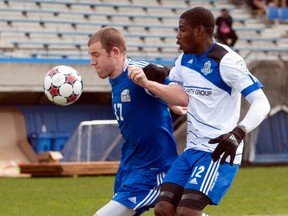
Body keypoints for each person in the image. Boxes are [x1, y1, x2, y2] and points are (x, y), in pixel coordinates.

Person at [128, 7, 270, 216]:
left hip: (218, 150)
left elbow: (261, 102)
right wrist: (161, 76)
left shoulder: (227, 61)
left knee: (187, 212)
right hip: (191, 150)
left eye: (182, 30)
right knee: (164, 209)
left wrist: (238, 133)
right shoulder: (184, 60)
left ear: (199, 31)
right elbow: (178, 93)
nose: (177, 36)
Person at [87, 27, 188, 216]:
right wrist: (164, 99)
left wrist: (157, 89)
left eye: (96, 55)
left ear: (115, 52)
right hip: (130, 165)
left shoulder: (142, 71)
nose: (92, 62)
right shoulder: (115, 78)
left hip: (154, 168)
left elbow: (182, 97)